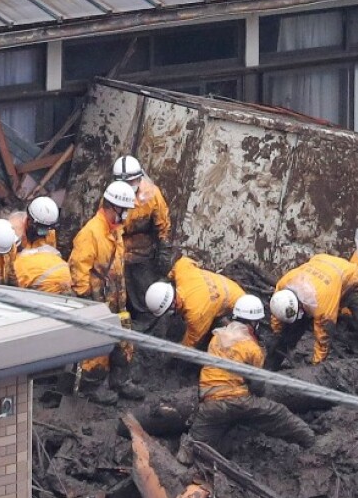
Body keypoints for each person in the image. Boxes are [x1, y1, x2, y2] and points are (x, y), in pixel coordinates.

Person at [177, 295, 315, 463]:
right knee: (279, 414)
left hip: (209, 404)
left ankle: (186, 462)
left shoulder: (216, 338)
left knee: (194, 443)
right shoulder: (252, 348)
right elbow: (257, 387)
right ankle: (311, 441)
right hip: (239, 401)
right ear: (254, 323)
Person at [69, 180, 144, 405]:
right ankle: (91, 387)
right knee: (96, 346)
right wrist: (84, 299)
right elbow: (78, 267)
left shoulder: (115, 231)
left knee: (124, 339)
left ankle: (120, 381)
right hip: (97, 298)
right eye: (125, 210)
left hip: (116, 297)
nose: (128, 215)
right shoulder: (91, 233)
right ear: (114, 207)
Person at [267, 254, 358, 368]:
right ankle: (272, 364)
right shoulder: (282, 288)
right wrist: (277, 333)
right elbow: (277, 315)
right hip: (322, 268)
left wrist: (317, 365)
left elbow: (323, 337)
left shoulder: (322, 306)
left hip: (350, 281)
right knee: (289, 330)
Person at [114, 156, 173, 316]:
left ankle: (147, 324)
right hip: (120, 253)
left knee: (145, 295)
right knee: (121, 294)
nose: (130, 186)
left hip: (144, 254)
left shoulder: (152, 195)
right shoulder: (112, 197)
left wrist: (164, 249)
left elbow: (163, 224)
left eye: (133, 182)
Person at [144, 255, 245, 349]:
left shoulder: (195, 314)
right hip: (226, 285)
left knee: (222, 339)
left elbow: (193, 340)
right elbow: (183, 262)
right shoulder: (183, 274)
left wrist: (177, 351)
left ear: (173, 304)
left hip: (237, 306)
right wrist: (170, 276)